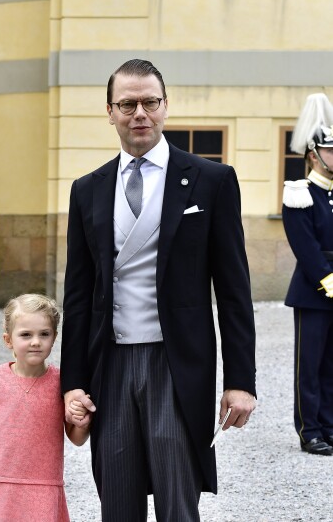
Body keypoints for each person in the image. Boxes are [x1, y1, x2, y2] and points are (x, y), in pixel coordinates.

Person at [60, 59, 257, 521]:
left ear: (166, 106)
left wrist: (240, 381)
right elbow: (78, 295)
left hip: (176, 360)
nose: (139, 114)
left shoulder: (211, 181)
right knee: (118, 498)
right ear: (109, 111)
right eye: (127, 104)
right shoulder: (87, 190)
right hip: (109, 362)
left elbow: (233, 291)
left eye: (150, 102)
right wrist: (72, 384)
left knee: (176, 497)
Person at [0, 293, 90, 521]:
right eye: (26, 335)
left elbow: (76, 438)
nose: (36, 341)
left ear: (55, 337)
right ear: (8, 340)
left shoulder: (62, 383)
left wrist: (83, 421)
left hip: (44, 487)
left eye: (44, 334)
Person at [282, 93, 333, 457]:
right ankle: (309, 430)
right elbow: (307, 249)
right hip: (314, 292)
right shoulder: (299, 194)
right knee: (310, 366)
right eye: (330, 151)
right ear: (314, 155)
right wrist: (330, 283)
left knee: (332, 365)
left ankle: (330, 427)